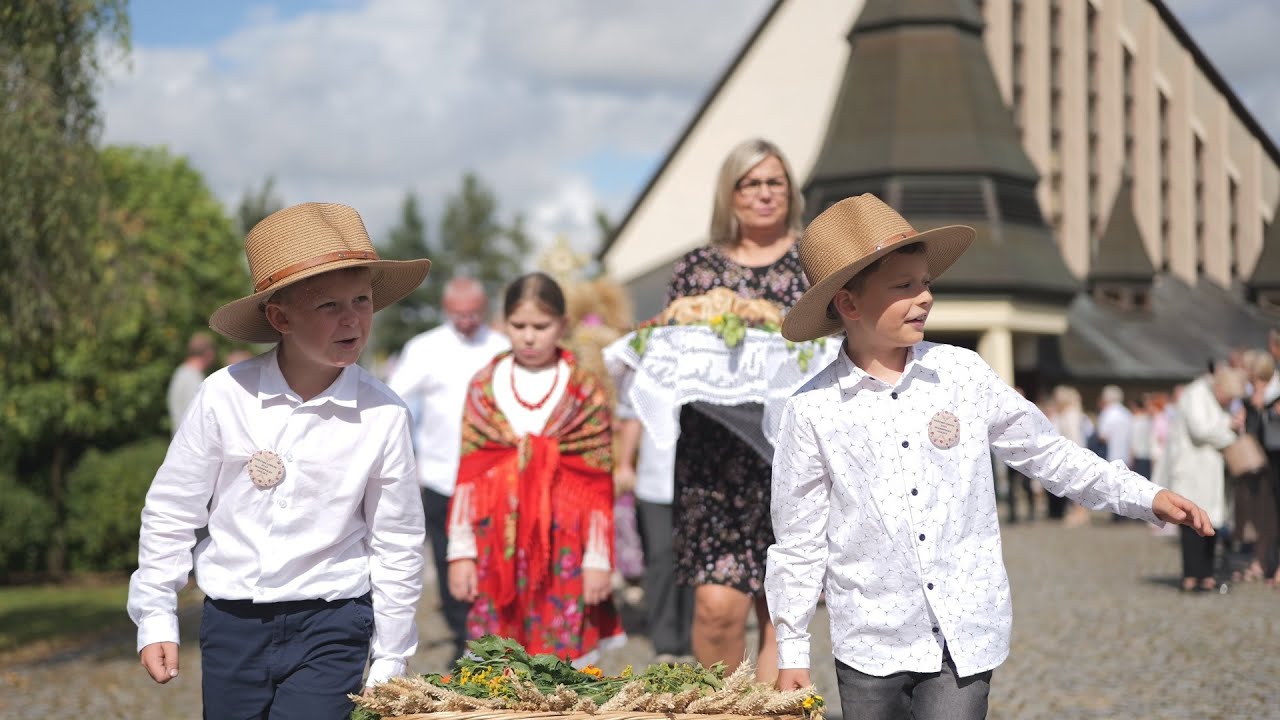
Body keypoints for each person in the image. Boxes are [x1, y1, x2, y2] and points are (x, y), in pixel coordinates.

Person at [766, 194, 1214, 719]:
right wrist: (792, 648)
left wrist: (1145, 495)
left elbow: (1049, 454)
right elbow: (798, 541)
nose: (924, 297)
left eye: (926, 282)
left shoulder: (963, 374)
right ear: (848, 304)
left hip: (964, 631)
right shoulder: (812, 410)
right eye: (904, 286)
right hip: (869, 641)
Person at [127, 203, 429, 719]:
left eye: (361, 300)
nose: (352, 318)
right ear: (280, 317)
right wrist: (155, 612)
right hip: (233, 624)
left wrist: (391, 655)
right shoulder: (224, 396)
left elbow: (397, 537)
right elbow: (174, 508)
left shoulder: (384, 414)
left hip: (334, 621)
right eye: (329, 305)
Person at [663, 137, 808, 682]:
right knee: (717, 608)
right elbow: (667, 351)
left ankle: (775, 716)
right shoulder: (696, 270)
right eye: (752, 183)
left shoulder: (813, 262)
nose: (765, 193)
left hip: (792, 455)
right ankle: (722, 709)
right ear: (731, 193)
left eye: (775, 181)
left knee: (782, 609)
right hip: (712, 457)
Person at [445, 272, 623, 664]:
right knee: (497, 668)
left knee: (563, 670)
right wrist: (461, 553)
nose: (529, 337)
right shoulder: (484, 387)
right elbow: (469, 477)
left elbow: (596, 484)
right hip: (497, 545)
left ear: (563, 324)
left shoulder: (583, 390)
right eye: (518, 325)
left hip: (565, 550)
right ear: (502, 323)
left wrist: (598, 559)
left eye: (541, 326)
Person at [387, 276, 508, 661]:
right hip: (441, 476)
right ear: (446, 310)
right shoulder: (425, 348)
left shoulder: (501, 346)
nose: (466, 321)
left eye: (473, 314)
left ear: (484, 309)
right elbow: (393, 400)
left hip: (494, 475)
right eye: (458, 315)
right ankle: (464, 637)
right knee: (448, 560)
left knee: (493, 558)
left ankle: (497, 635)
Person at [614, 413, 693, 663]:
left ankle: (690, 638)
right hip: (654, 484)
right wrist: (625, 463)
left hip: (696, 484)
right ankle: (665, 642)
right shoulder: (648, 374)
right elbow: (634, 417)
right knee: (661, 557)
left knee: (691, 561)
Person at [1164, 364, 1244, 592]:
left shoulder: (1213, 398)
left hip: (1210, 472)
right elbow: (1200, 429)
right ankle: (1191, 575)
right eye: (1228, 398)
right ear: (1220, 387)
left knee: (1212, 523)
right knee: (1190, 522)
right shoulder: (1195, 394)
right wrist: (1228, 425)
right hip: (1192, 471)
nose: (1228, 403)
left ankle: (1207, 574)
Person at [1234, 350, 1279, 585]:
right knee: (1263, 514)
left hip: (1276, 456)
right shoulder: (1252, 394)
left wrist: (1268, 408)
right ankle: (1261, 562)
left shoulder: (1275, 390)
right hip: (1260, 459)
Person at [167, 332, 216, 432]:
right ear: (208, 354)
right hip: (190, 443)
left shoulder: (182, 372)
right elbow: (199, 416)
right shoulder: (192, 378)